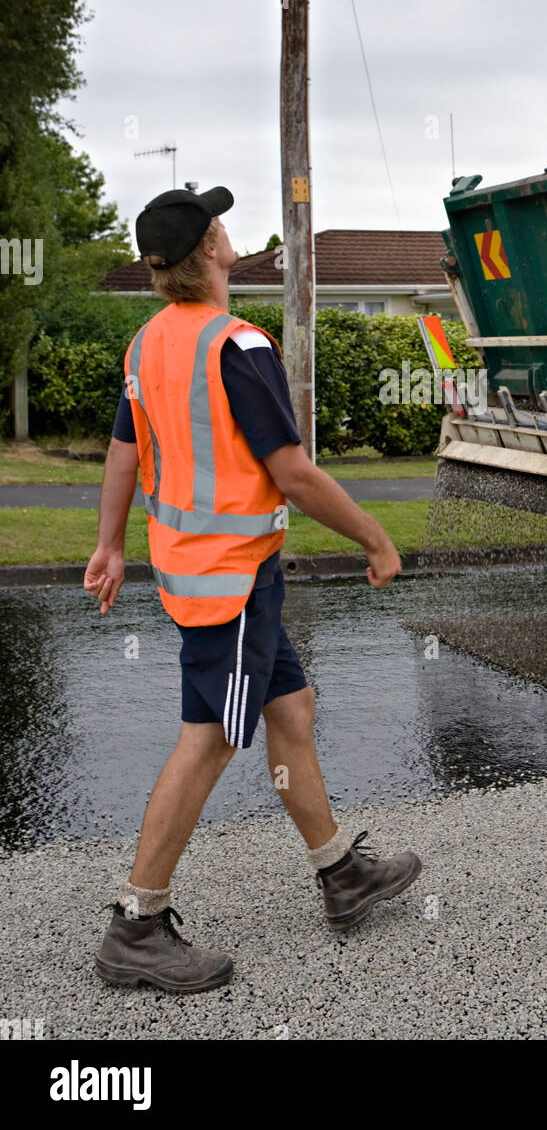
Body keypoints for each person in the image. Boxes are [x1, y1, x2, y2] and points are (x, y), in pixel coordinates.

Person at [85, 185, 421, 993]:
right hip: (231, 583)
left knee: (290, 708)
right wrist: (375, 537)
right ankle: (136, 924)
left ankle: (340, 871)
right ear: (210, 250)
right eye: (220, 224)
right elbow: (294, 474)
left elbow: (124, 452)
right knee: (209, 738)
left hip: (205, 574)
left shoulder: (147, 346)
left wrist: (108, 545)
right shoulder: (236, 347)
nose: (229, 232)